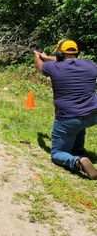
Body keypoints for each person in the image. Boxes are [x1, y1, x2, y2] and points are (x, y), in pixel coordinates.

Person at [34, 39, 97, 179]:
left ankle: (77, 161)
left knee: (56, 153)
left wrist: (38, 57)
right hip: (93, 114)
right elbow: (63, 59)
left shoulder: (54, 67)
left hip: (68, 117)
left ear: (59, 53)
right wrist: (46, 56)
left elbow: (39, 67)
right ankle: (78, 148)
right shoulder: (90, 64)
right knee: (80, 123)